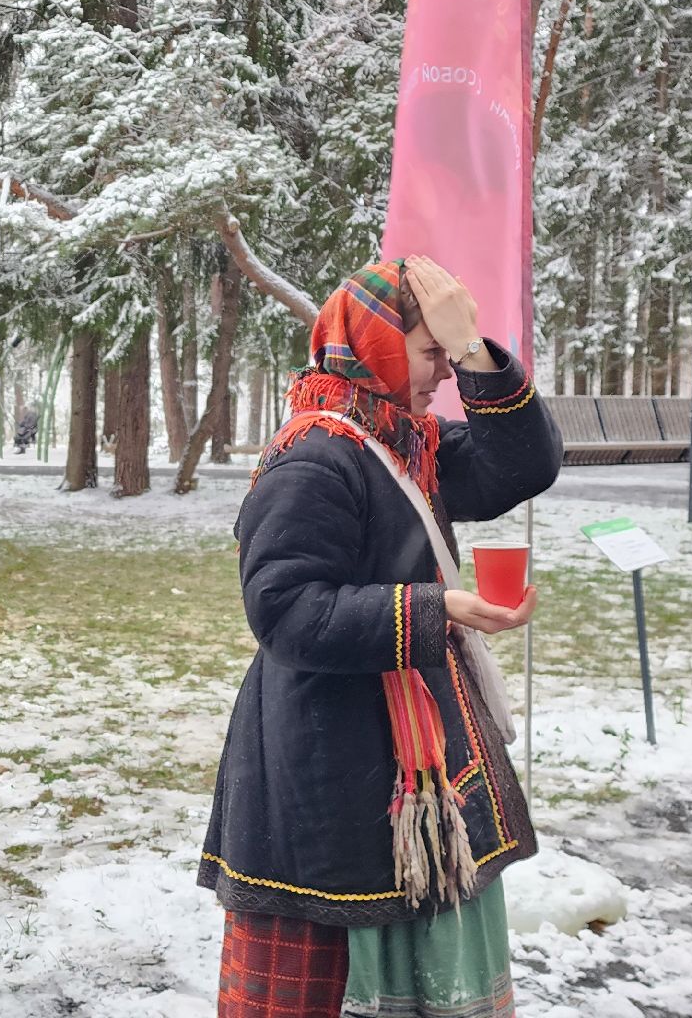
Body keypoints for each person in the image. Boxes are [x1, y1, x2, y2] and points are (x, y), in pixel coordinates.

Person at [200, 255, 560, 1018]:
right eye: (431, 354)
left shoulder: (404, 440)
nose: (439, 375)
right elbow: (286, 611)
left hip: (399, 759)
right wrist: (435, 610)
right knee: (330, 983)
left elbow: (523, 467)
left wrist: (477, 357)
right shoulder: (315, 457)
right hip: (329, 769)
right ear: (382, 347)